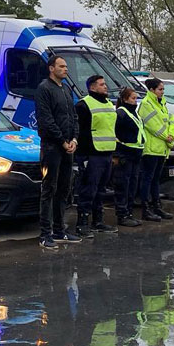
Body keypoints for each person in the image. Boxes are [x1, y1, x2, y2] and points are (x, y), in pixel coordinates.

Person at [36, 55, 83, 248]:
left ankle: (59, 230)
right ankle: (45, 234)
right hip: (51, 148)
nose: (66, 69)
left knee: (64, 189)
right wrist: (62, 141)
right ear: (51, 68)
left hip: (67, 148)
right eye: (62, 66)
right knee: (49, 188)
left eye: (66, 66)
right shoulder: (44, 89)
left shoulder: (66, 89)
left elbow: (73, 117)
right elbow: (46, 120)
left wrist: (74, 139)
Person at [74, 75, 120, 237]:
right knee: (88, 190)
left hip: (106, 153)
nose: (105, 87)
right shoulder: (83, 105)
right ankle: (83, 223)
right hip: (92, 155)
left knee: (101, 190)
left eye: (105, 84)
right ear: (92, 88)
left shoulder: (108, 104)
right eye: (101, 84)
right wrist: (83, 157)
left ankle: (98, 221)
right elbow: (80, 132)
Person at [136, 78, 174, 221]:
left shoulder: (162, 103)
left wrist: (172, 135)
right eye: (160, 89)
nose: (162, 92)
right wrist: (168, 137)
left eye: (163, 89)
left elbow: (171, 121)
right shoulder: (146, 104)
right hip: (151, 149)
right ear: (152, 90)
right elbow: (153, 126)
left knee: (155, 180)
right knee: (148, 179)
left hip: (162, 148)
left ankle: (157, 207)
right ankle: (146, 209)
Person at [113, 87, 144, 228]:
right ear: (125, 99)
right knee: (123, 185)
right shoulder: (121, 113)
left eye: (136, 98)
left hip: (136, 154)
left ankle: (129, 212)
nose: (135, 101)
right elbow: (115, 135)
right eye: (133, 98)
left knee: (132, 185)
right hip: (125, 154)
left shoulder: (134, 113)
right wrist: (117, 154)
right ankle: (122, 214)